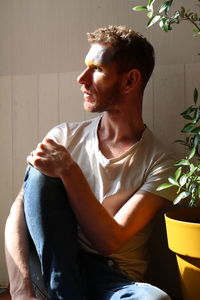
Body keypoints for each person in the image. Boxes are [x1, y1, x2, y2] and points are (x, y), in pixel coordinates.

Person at [5, 25, 176, 300]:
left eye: (96, 69)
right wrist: (20, 289)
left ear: (129, 81)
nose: (81, 79)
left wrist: (69, 170)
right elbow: (20, 211)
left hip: (116, 280)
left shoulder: (164, 162)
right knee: (39, 173)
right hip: (57, 267)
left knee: (156, 299)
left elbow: (110, 240)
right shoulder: (64, 137)